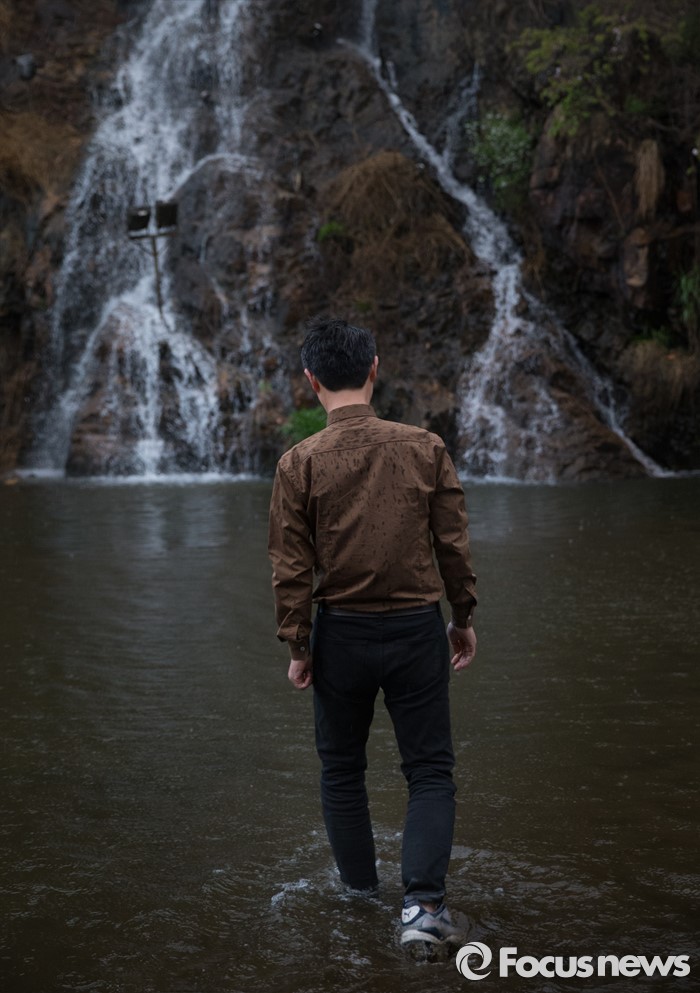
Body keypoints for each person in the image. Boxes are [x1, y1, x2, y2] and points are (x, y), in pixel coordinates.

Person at [267, 316, 477, 948]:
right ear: (374, 369)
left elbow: (290, 567)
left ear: (311, 381)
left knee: (341, 771)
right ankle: (423, 910)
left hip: (341, 636)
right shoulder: (425, 447)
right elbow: (453, 546)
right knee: (430, 771)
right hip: (416, 631)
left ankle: (359, 901)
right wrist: (463, 618)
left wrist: (299, 646)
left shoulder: (298, 463)